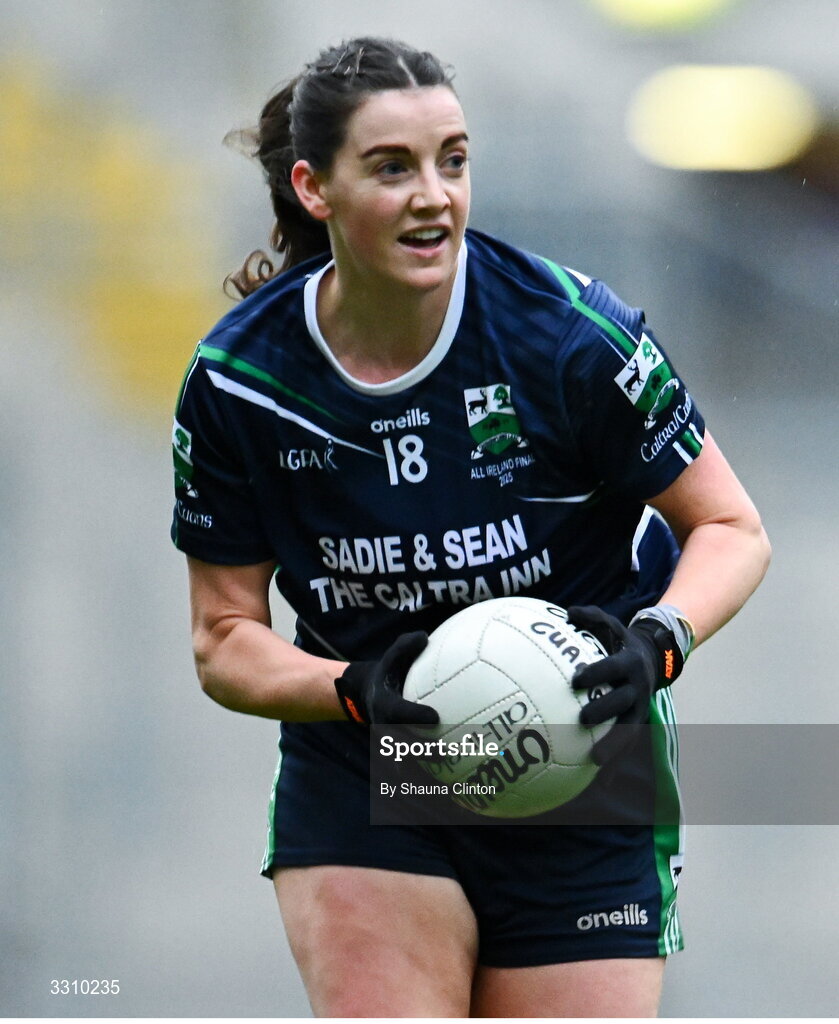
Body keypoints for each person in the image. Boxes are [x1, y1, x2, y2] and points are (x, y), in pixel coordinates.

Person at [171, 36, 770, 1017]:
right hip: (371, 767)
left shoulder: (570, 334)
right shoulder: (243, 382)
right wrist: (360, 690)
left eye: (452, 160)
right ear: (314, 189)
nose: (433, 194)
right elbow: (223, 640)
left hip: (579, 767)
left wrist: (658, 639)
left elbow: (730, 528)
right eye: (391, 167)